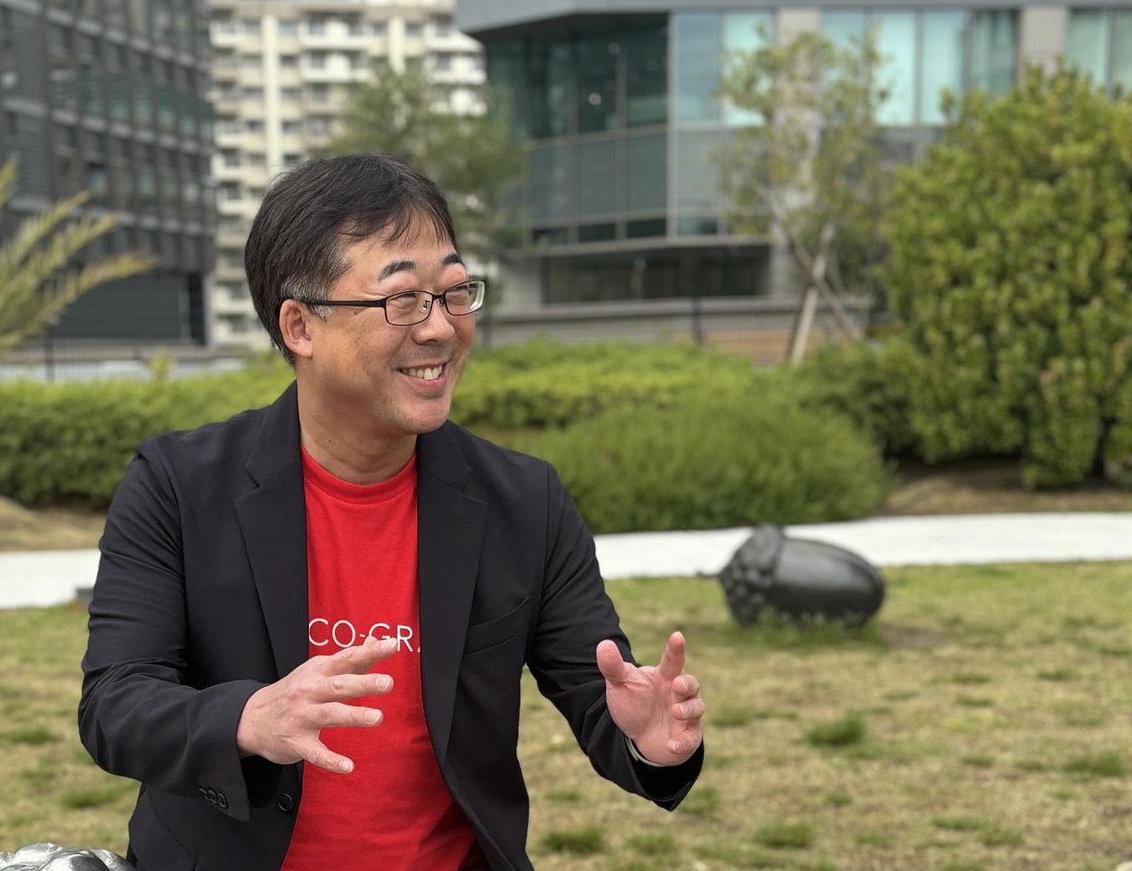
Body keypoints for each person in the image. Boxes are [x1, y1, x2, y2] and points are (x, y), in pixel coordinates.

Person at [78, 153, 705, 871]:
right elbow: (116, 704)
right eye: (402, 299)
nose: (439, 328)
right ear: (299, 326)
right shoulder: (178, 486)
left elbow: (601, 694)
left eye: (455, 292)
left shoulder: (523, 501)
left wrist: (647, 742)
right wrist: (249, 718)